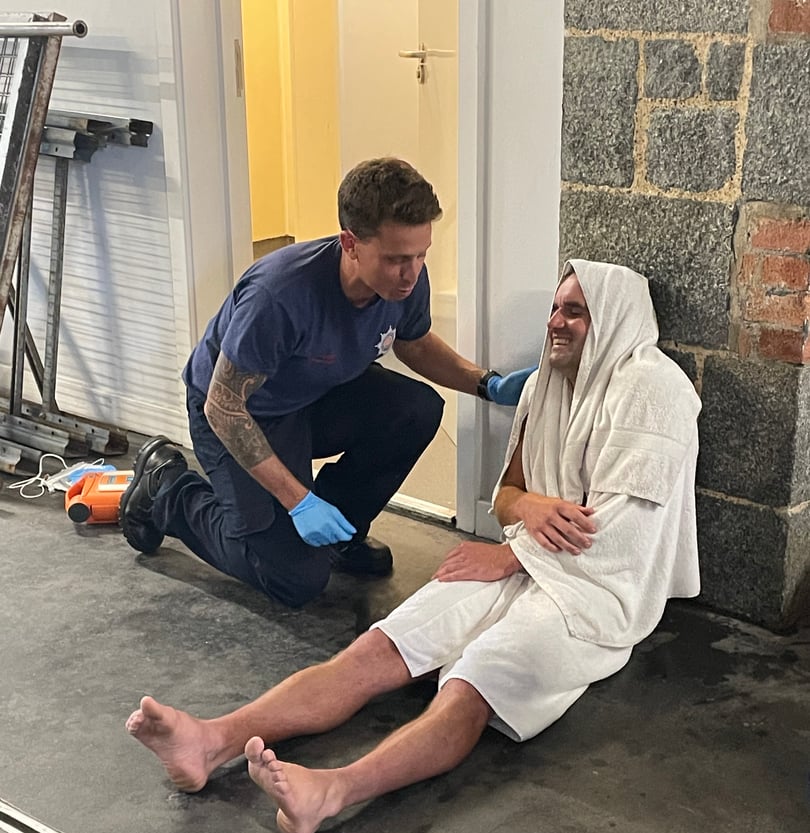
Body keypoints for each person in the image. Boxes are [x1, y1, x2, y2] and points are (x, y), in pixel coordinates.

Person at [126, 260, 701, 833]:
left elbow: (622, 534)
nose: (555, 322)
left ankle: (332, 791)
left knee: (474, 682)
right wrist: (527, 510)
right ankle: (210, 739)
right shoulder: (546, 385)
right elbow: (507, 498)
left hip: (591, 591)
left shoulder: (656, 394)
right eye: (555, 308)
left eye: (574, 312)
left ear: (615, 321)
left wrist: (509, 555)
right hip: (525, 558)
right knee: (378, 648)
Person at [118, 158, 533, 607]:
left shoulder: (405, 281)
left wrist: (486, 384)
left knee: (416, 410)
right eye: (396, 259)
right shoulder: (280, 295)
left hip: (312, 395)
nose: (411, 273)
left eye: (421, 255)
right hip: (240, 414)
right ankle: (167, 490)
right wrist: (299, 502)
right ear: (350, 244)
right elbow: (223, 406)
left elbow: (412, 343)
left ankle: (340, 535)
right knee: (292, 578)